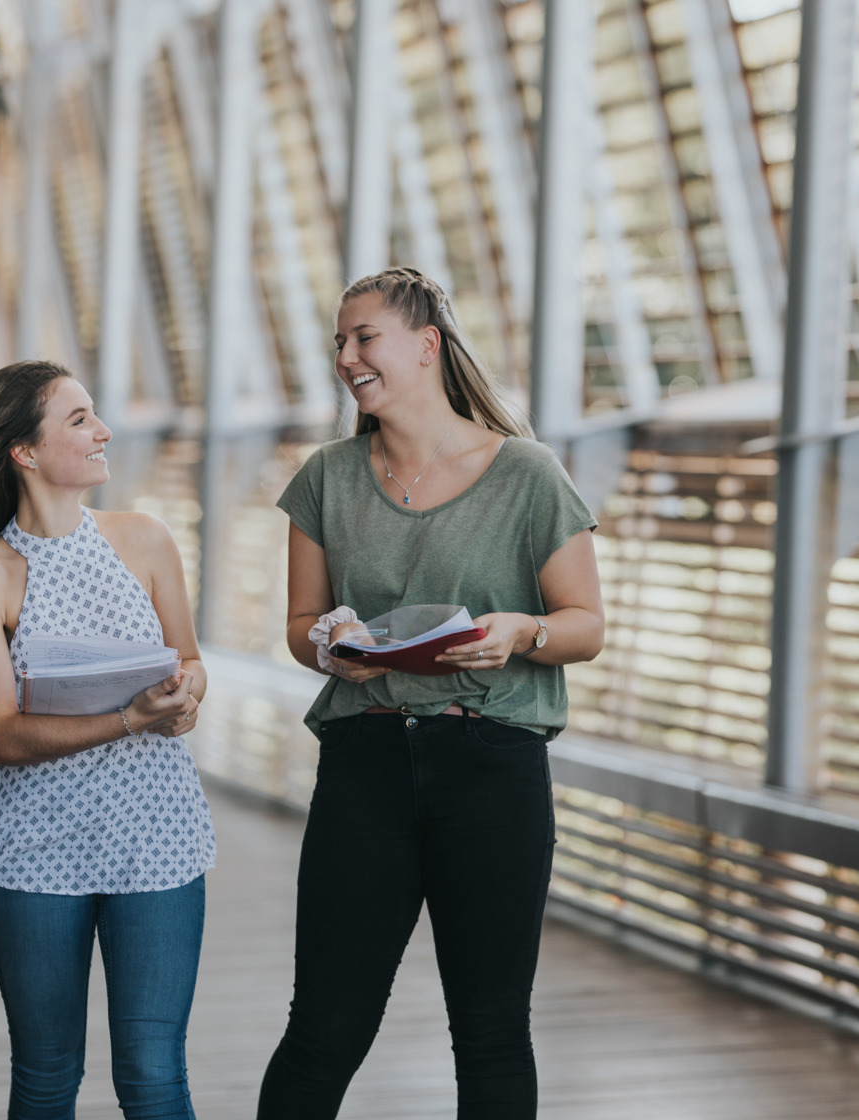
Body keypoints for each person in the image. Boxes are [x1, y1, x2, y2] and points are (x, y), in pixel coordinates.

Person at [257, 267, 606, 1119]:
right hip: (364, 764)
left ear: (426, 346)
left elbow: (585, 624)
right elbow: (303, 623)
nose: (346, 357)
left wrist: (522, 631)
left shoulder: (527, 472)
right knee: (324, 1027)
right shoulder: (327, 478)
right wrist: (333, 647)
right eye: (339, 341)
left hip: (492, 769)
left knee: (490, 1032)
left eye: (363, 337)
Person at [0, 360, 215, 1120]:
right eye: (80, 419)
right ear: (24, 451)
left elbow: (188, 661)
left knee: (155, 1078)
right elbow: (3, 736)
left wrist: (183, 698)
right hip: (33, 850)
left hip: (157, 835)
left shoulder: (146, 541)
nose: (104, 431)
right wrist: (129, 719)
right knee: (48, 1076)